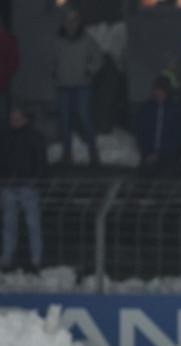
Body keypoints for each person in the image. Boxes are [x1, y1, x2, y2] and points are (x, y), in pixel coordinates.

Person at [53, 8, 102, 165]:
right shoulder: (57, 40)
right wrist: (55, 72)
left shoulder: (87, 39)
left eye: (74, 20)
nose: (71, 23)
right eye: (68, 20)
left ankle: (93, 152)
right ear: (64, 22)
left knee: (85, 117)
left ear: (79, 22)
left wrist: (90, 70)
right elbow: (49, 59)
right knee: (65, 121)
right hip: (63, 86)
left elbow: (99, 57)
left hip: (82, 86)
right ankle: (67, 154)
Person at [1, 107, 46, 271]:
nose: (14, 121)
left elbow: (41, 161)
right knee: (9, 224)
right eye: (12, 118)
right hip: (9, 185)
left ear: (25, 119)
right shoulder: (6, 136)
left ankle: (36, 258)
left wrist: (35, 181)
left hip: (28, 186)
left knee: (32, 224)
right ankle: (7, 257)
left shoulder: (34, 136)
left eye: (17, 118)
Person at [135, 77, 181, 177]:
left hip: (169, 154)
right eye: (156, 93)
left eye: (161, 93)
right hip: (149, 154)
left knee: (168, 175)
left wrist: (161, 153)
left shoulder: (175, 111)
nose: (158, 96)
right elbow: (141, 133)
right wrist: (147, 152)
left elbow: (178, 136)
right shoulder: (146, 109)